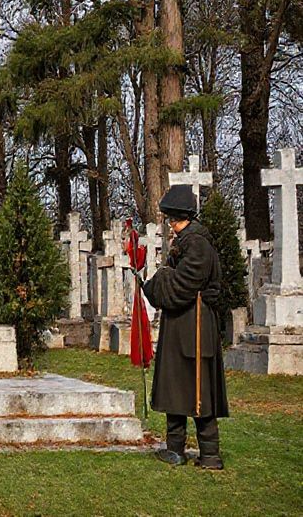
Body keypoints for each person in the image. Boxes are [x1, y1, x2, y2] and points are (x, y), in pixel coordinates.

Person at [142, 184, 229, 470]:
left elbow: (178, 288)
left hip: (193, 326)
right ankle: (175, 448)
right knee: (176, 387)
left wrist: (159, 280)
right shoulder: (187, 241)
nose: (170, 226)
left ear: (182, 217)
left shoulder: (197, 244)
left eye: (172, 219)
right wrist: (161, 279)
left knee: (198, 388)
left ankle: (210, 454)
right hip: (182, 325)